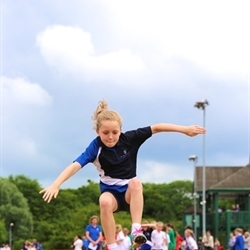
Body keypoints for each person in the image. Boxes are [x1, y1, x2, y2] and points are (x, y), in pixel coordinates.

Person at [39, 100, 206, 250]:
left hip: (129, 194)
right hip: (112, 195)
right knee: (103, 200)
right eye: (105, 133)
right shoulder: (95, 147)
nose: (110, 137)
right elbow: (76, 165)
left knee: (135, 183)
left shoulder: (129, 139)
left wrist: (184, 129)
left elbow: (156, 128)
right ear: (98, 131)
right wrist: (56, 184)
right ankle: (111, 246)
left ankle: (136, 230)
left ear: (120, 130)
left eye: (114, 132)